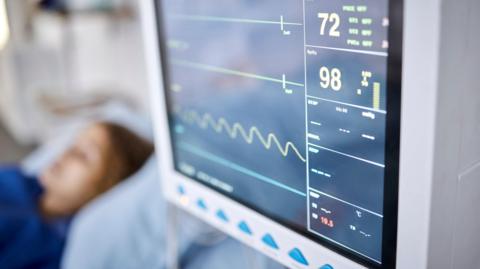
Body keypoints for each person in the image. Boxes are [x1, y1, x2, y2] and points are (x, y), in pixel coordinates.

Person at [0, 122, 154, 269]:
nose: (67, 153)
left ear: (109, 188)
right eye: (73, 145)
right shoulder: (16, 180)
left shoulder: (63, 250)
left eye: (83, 155)